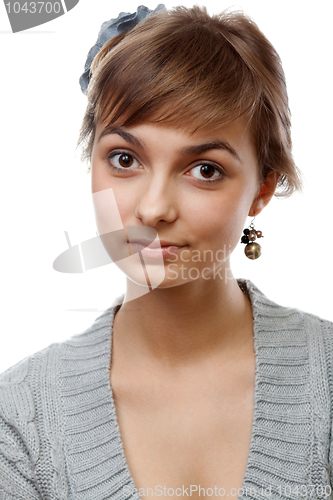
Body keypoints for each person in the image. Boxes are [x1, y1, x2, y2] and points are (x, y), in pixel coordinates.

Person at [1, 4, 333, 500]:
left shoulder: (326, 385)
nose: (153, 208)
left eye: (204, 169)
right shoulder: (20, 417)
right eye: (125, 158)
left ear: (264, 187)